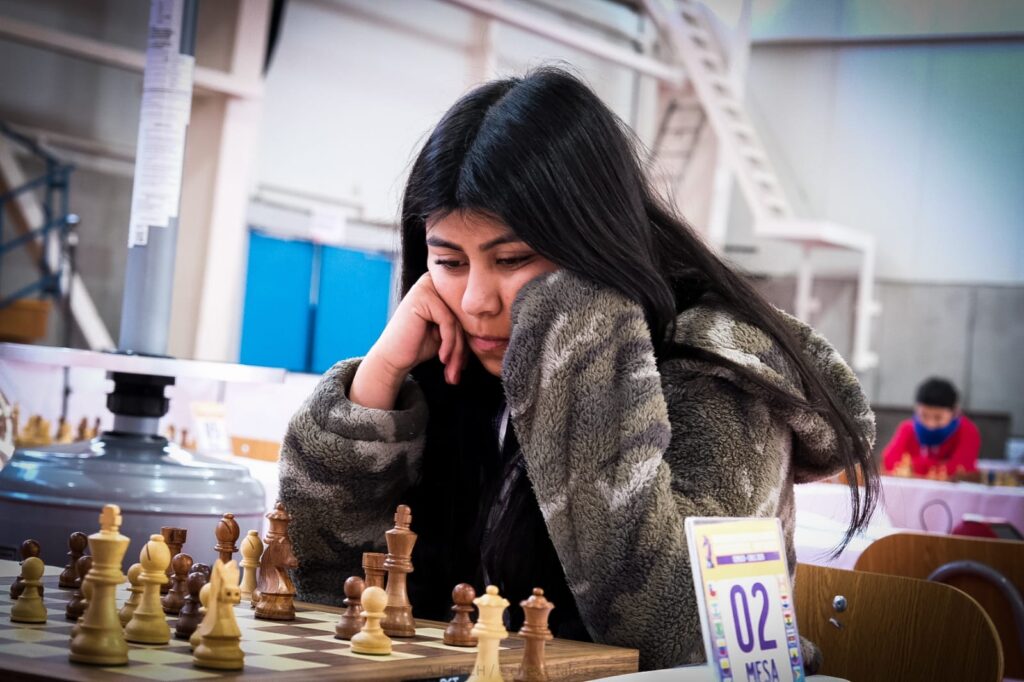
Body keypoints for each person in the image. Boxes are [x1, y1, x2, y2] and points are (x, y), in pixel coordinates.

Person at [278, 67, 878, 672]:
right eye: (450, 262)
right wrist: (379, 379)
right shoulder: (454, 370)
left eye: (512, 259)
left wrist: (580, 344)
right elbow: (328, 593)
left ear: (594, 242)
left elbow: (681, 645)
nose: (476, 300)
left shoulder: (720, 379)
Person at [882, 377, 980, 477]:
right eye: (924, 416)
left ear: (955, 412)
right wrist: (939, 466)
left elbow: (962, 468)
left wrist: (914, 465)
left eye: (938, 418)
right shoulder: (908, 428)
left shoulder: (967, 431)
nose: (930, 425)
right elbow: (889, 461)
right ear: (917, 410)